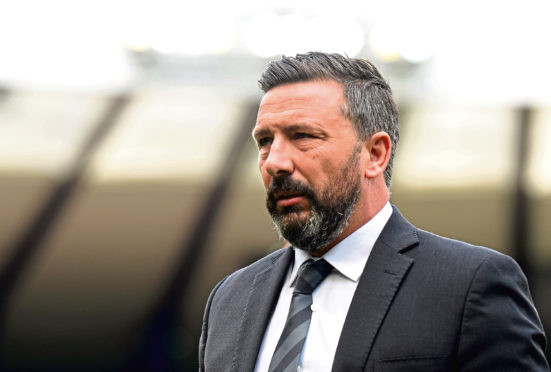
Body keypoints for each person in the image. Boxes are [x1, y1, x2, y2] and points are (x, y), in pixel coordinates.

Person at [198, 52, 548, 371]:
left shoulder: (470, 286)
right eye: (264, 142)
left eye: (302, 135)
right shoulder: (230, 299)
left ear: (375, 154)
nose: (275, 161)